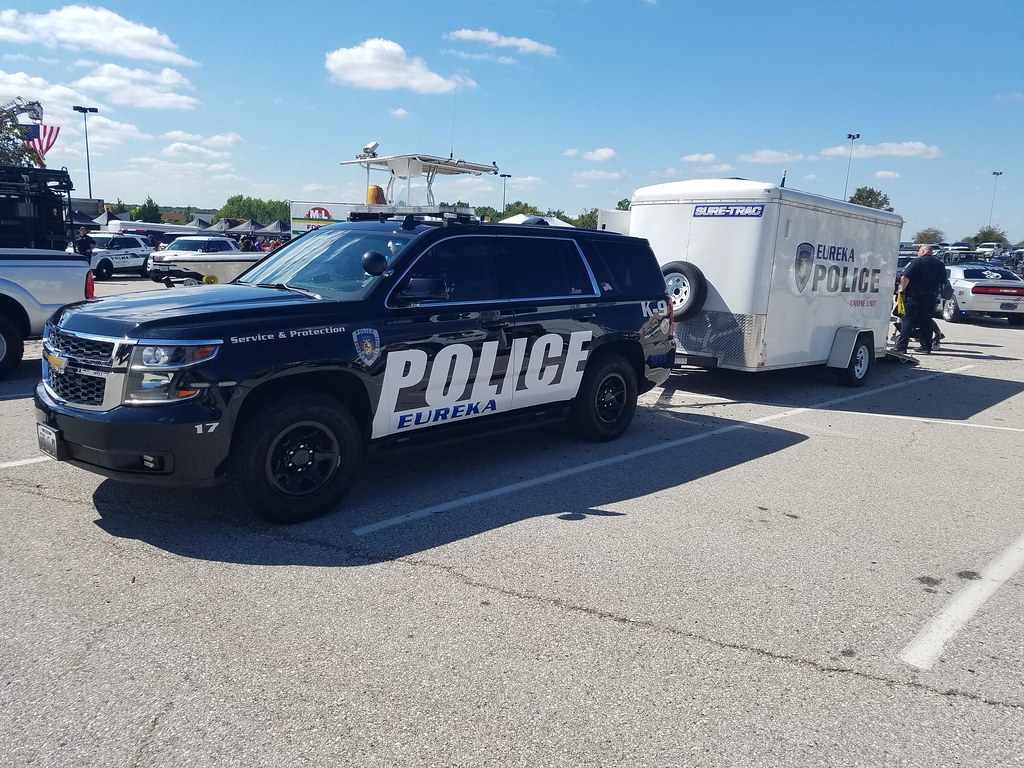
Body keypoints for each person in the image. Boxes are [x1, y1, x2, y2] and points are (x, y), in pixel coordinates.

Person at [895, 244, 947, 354]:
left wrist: (901, 289)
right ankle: (926, 347)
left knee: (907, 321)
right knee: (926, 322)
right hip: (931, 298)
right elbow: (943, 282)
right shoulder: (940, 264)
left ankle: (901, 347)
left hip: (913, 297)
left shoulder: (917, 262)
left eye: (919, 251)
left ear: (923, 251)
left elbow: (904, 277)